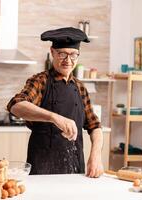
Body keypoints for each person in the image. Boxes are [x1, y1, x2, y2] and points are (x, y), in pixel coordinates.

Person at [7, 27, 104, 178]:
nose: (68, 60)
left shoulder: (80, 88)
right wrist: (54, 117)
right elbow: (16, 105)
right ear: (52, 52)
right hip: (43, 169)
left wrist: (96, 155)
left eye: (73, 55)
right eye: (62, 54)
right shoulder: (41, 81)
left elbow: (95, 126)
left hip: (75, 168)